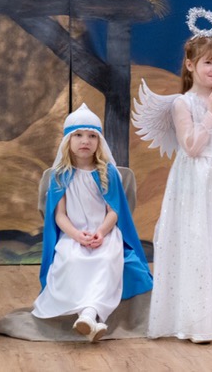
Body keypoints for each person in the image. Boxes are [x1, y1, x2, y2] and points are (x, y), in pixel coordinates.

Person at [134, 8, 212, 344]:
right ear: (190, 65)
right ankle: (197, 318)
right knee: (197, 243)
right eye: (208, 62)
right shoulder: (182, 104)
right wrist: (211, 114)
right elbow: (192, 146)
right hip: (195, 181)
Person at [33, 103, 153, 342]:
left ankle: (88, 315)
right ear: (67, 140)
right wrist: (77, 235)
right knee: (71, 259)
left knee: (106, 259)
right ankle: (90, 316)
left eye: (91, 136)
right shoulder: (60, 175)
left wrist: (101, 232)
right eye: (78, 135)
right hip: (73, 234)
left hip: (104, 234)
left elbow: (114, 211)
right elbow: (60, 215)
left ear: (99, 141)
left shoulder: (107, 173)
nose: (85, 141)